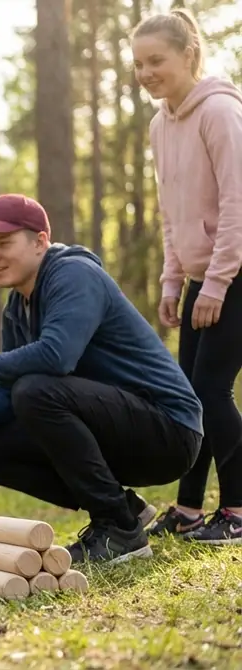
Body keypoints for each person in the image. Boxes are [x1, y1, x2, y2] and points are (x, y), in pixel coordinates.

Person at [0, 193, 204, 564]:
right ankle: (125, 508)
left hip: (168, 429)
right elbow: (7, 391)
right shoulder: (18, 306)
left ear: (40, 242)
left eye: (4, 243)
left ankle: (118, 529)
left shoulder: (74, 275)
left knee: (36, 390)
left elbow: (56, 356)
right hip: (113, 428)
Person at [131, 9, 242, 543]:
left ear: (189, 55)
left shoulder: (219, 112)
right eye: (138, 64)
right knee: (187, 397)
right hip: (203, 276)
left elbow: (237, 203)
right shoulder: (159, 123)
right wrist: (173, 281)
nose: (147, 72)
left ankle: (238, 511)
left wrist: (217, 282)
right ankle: (190, 508)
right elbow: (171, 212)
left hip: (236, 273)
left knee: (211, 391)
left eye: (157, 60)